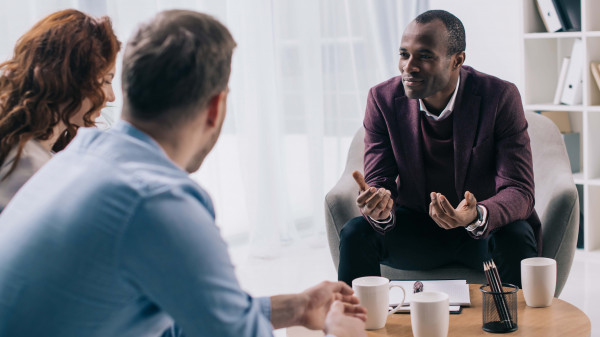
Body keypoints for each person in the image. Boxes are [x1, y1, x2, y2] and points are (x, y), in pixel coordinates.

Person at [0, 10, 367, 337]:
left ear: (127, 88)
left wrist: (298, 307)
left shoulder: (76, 157)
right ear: (215, 107)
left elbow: (172, 317)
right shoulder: (157, 198)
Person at [338, 10, 540, 288]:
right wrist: (380, 206)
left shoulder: (499, 97)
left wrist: (475, 214)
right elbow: (380, 180)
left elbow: (519, 189)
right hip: (416, 230)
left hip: (479, 231)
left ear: (457, 60)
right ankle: (356, 325)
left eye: (425, 56)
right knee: (355, 233)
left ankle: (518, 329)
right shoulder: (382, 99)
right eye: (404, 54)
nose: (408, 67)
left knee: (516, 235)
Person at [0, 9, 120, 212]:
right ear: (70, 79)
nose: (111, 96)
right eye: (106, 81)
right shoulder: (29, 168)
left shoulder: (29, 153)